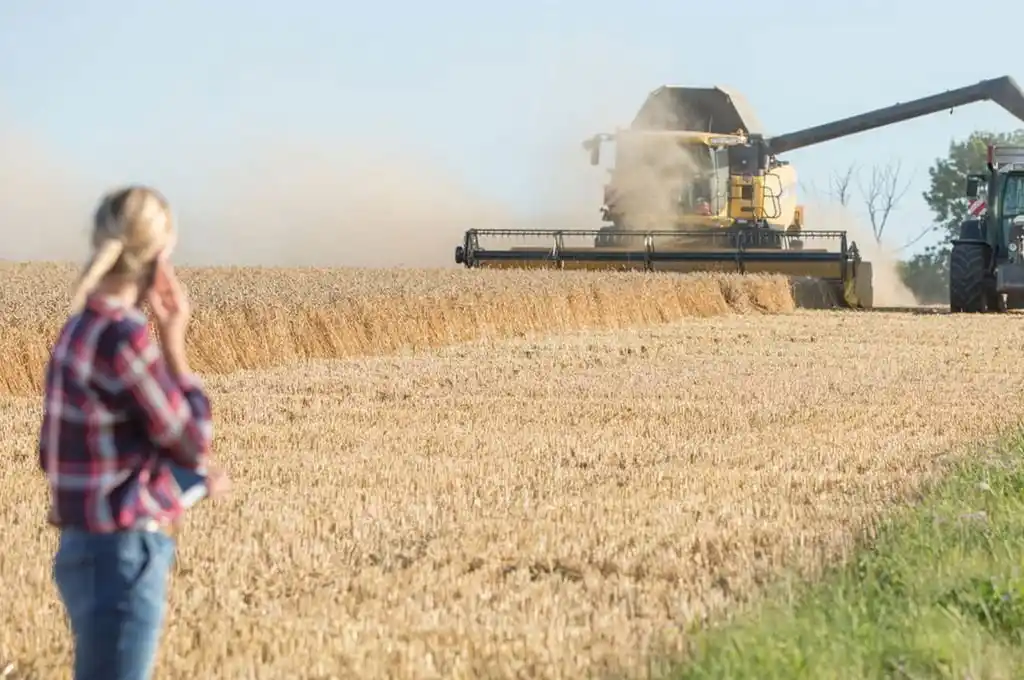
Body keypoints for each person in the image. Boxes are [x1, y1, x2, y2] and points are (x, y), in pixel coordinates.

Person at [38, 185, 231, 680]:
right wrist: (174, 342)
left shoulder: (75, 331)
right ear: (158, 256)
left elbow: (54, 454)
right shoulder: (125, 337)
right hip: (122, 557)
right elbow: (192, 440)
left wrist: (181, 480)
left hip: (80, 551)